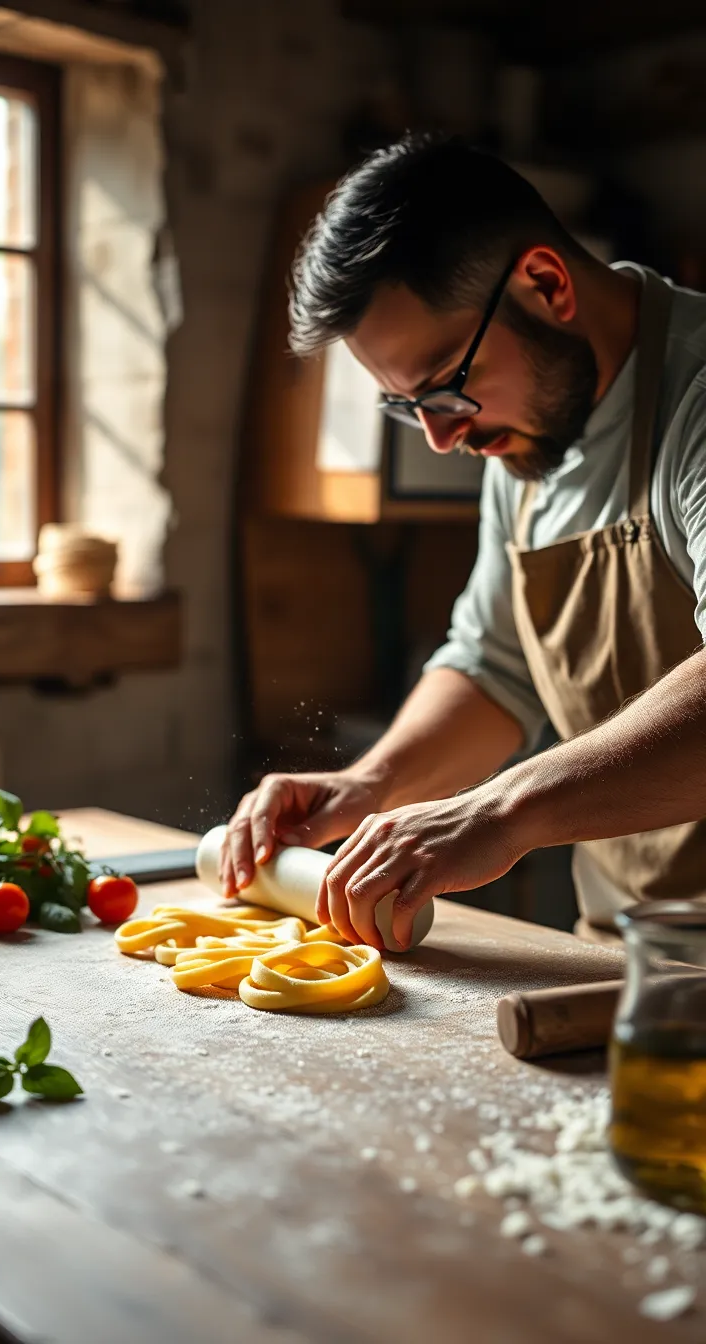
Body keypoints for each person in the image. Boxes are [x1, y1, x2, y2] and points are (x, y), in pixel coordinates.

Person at [222, 132, 706, 950]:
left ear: (547, 284)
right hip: (631, 963)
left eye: (446, 384)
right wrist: (369, 783)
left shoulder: (694, 402)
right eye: (407, 406)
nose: (442, 438)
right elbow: (495, 665)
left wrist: (499, 812)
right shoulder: (525, 432)